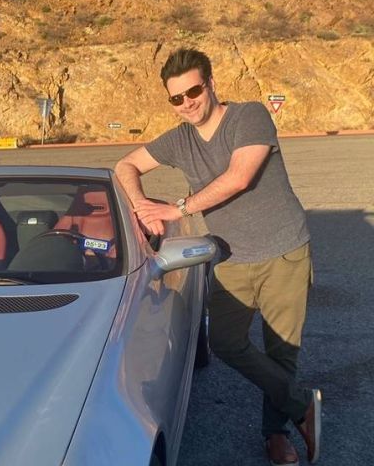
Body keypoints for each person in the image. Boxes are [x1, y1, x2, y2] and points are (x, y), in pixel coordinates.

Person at [115, 48, 321, 466]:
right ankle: (301, 405)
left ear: (210, 83)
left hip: (284, 251)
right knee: (226, 342)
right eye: (176, 98)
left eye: (193, 90)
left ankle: (275, 435)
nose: (187, 102)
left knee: (281, 351)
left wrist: (176, 209)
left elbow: (240, 176)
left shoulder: (249, 116)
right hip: (231, 259)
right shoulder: (178, 138)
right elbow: (126, 165)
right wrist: (140, 206)